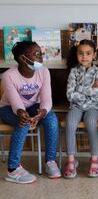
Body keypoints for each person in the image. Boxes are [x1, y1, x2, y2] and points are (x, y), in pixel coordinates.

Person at [0, 41, 61, 183]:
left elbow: (46, 98)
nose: (41, 57)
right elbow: (15, 101)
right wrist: (21, 112)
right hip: (8, 108)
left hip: (34, 106)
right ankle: (13, 169)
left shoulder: (44, 72)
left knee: (51, 120)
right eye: (36, 54)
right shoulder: (8, 75)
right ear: (22, 58)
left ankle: (50, 162)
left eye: (41, 53)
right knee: (24, 123)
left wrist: (43, 112)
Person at [63, 39, 98, 178]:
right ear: (76, 54)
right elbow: (70, 95)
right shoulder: (74, 71)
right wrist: (89, 88)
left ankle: (94, 159)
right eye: (81, 53)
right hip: (76, 106)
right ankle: (71, 160)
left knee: (91, 123)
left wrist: (80, 90)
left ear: (94, 54)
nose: (84, 56)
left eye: (88, 53)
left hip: (93, 107)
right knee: (69, 124)